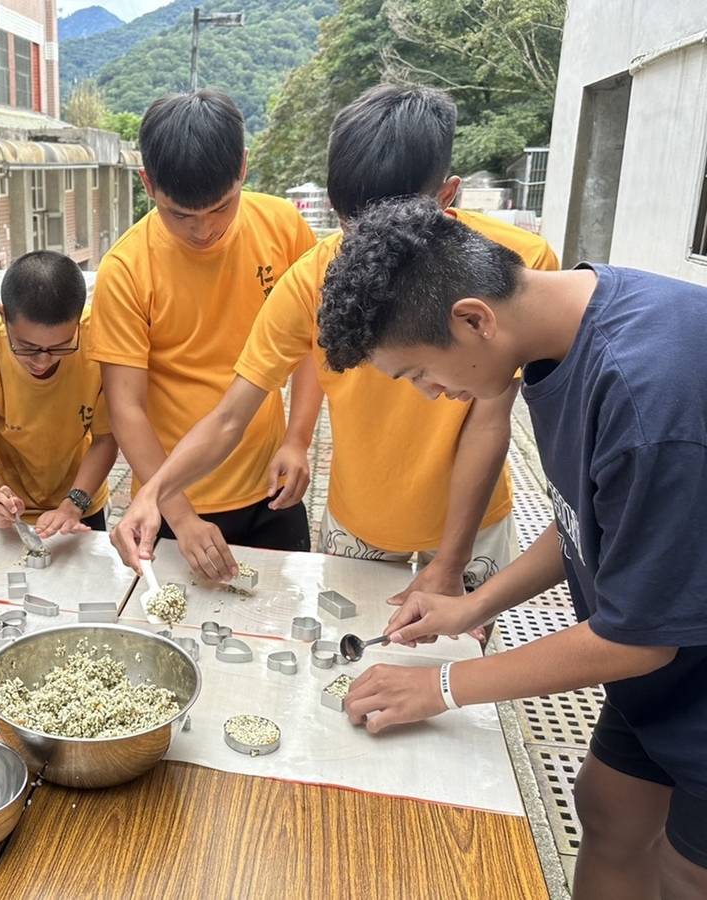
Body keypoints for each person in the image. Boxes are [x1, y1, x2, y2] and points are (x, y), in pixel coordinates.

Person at [318, 196, 707, 899]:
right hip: (663, 651)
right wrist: (469, 608)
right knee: (608, 809)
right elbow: (588, 525)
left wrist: (442, 686)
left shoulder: (646, 398)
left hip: (686, 657)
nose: (434, 395)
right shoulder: (563, 334)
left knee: (687, 872)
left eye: (418, 376)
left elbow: (639, 638)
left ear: (473, 318)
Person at [112, 86, 557, 609]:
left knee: (452, 659)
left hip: (472, 523)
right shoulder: (312, 279)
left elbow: (489, 420)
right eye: (353, 228)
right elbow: (231, 415)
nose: (369, 251)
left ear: (446, 196)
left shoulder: (514, 267)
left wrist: (452, 562)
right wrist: (154, 492)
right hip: (361, 520)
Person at [89, 90, 318, 581]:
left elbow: (309, 347)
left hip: (271, 489)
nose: (203, 230)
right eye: (180, 215)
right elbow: (126, 407)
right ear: (147, 184)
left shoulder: (283, 228)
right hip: (172, 502)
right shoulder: (126, 269)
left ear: (243, 167)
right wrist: (181, 514)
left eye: (220, 207)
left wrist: (298, 439)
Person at [0, 251, 117, 536]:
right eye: (27, 347)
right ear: (3, 314)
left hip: (81, 498)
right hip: (2, 508)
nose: (42, 361)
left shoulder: (100, 342)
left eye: (61, 346)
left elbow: (106, 439)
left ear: (79, 321)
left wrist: (75, 502)